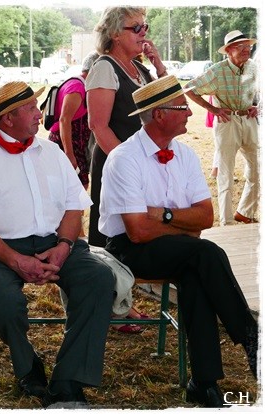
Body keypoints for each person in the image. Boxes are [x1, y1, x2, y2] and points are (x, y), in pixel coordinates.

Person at [0, 81, 115, 409]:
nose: (40, 115)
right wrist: (15, 260)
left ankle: (68, 382)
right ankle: (27, 364)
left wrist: (64, 245)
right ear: (7, 119)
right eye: (33, 108)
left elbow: (73, 205)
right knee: (6, 305)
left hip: (54, 242)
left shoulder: (49, 151)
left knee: (98, 279)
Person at [99, 75, 259, 407]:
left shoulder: (184, 155)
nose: (189, 113)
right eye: (182, 107)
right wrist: (179, 224)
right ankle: (251, 338)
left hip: (175, 248)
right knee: (206, 253)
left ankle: (204, 383)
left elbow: (204, 218)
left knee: (196, 273)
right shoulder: (124, 158)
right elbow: (137, 232)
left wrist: (164, 215)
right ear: (159, 115)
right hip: (128, 249)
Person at [85, 6, 166, 248]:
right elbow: (98, 126)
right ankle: (113, 280)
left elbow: (169, 102)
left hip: (140, 160)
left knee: (143, 221)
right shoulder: (104, 68)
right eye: (136, 27)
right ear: (115, 34)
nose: (144, 33)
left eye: (145, 27)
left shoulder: (140, 68)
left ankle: (143, 276)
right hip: (116, 159)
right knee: (115, 231)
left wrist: (158, 66)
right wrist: (128, 164)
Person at [185, 30, 259, 225]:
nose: (247, 49)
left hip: (249, 121)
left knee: (258, 169)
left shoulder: (254, 67)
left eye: (248, 46)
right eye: (241, 47)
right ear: (228, 51)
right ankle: (227, 222)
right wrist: (212, 109)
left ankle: (244, 212)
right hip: (227, 122)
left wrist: (258, 107)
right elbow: (190, 89)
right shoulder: (218, 71)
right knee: (226, 172)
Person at [47, 51, 99, 189]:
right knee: (72, 188)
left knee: (82, 186)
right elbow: (65, 120)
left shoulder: (87, 86)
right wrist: (69, 155)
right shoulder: (77, 87)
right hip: (65, 144)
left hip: (78, 144)